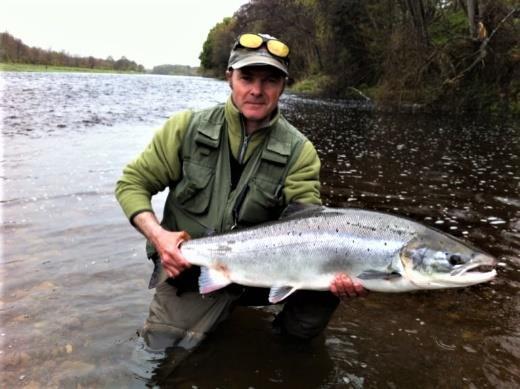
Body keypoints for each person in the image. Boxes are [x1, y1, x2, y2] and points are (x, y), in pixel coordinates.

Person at [115, 33, 365, 352]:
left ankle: (286, 349)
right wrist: (158, 237)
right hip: (193, 270)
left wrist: (349, 268)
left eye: (270, 80)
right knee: (163, 354)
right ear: (229, 78)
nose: (256, 91)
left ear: (284, 85)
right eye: (247, 77)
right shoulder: (185, 129)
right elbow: (131, 184)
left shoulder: (299, 151)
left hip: (261, 272)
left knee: (324, 286)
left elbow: (310, 225)